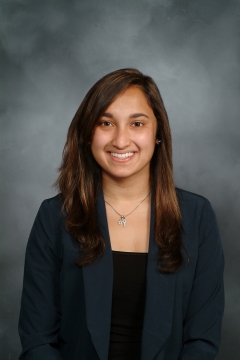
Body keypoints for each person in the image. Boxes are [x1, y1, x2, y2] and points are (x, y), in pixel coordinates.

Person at [18, 68, 224, 360]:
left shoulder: (197, 216)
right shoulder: (54, 217)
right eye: (106, 123)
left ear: (158, 135)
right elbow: (38, 339)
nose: (121, 140)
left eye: (137, 123)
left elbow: (202, 340)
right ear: (88, 134)